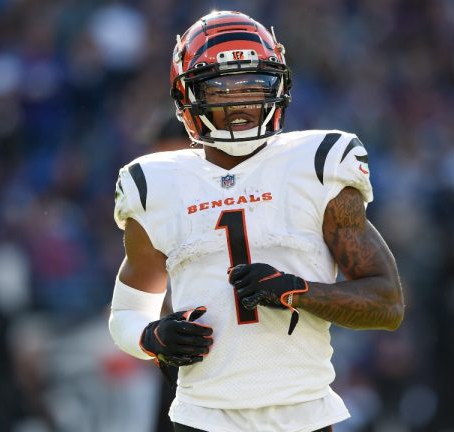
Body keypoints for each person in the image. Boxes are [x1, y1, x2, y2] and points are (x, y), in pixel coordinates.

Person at [108, 11, 405, 432]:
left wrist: (295, 291)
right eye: (221, 90)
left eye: (253, 86)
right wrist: (151, 338)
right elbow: (126, 313)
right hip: (203, 418)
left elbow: (387, 304)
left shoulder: (319, 164)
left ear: (279, 85)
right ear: (186, 97)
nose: (241, 104)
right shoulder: (153, 184)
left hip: (304, 413)